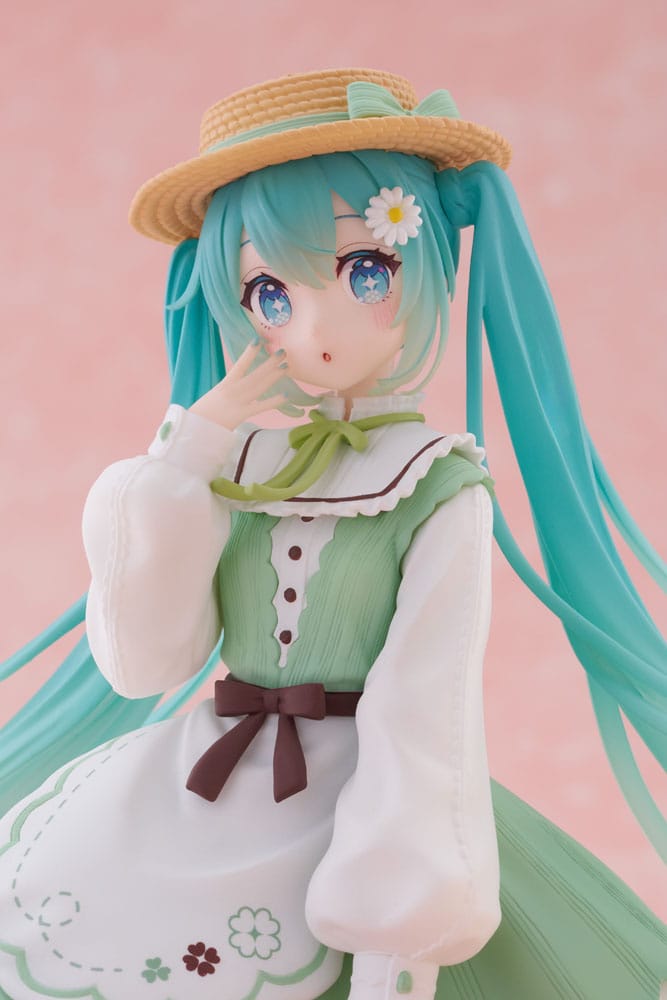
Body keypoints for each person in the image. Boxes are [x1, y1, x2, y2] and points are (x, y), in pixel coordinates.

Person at [0, 68, 665, 1000]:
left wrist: (395, 923)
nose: (313, 330)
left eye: (364, 272)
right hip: (204, 783)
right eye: (269, 293)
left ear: (422, 263)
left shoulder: (437, 484)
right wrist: (189, 450)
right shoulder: (232, 466)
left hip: (373, 804)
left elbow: (427, 700)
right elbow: (148, 661)